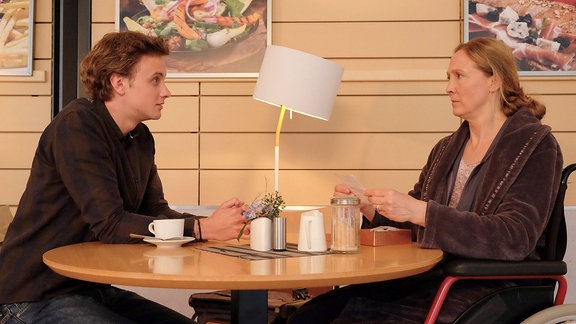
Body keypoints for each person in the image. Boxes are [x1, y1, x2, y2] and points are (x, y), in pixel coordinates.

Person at [288, 37, 564, 323]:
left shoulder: (535, 146)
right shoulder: (446, 149)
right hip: (433, 276)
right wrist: (372, 208)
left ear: (494, 80)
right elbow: (416, 223)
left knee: (352, 318)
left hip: (489, 285)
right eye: (448, 77)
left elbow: (515, 237)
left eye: (459, 76)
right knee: (309, 315)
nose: (449, 87)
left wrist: (422, 212)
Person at [0, 31, 248, 323]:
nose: (166, 91)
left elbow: (156, 212)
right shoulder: (77, 126)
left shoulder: (140, 137)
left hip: (90, 289)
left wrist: (219, 226)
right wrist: (201, 229)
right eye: (155, 80)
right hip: (33, 294)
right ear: (119, 83)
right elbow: (111, 224)